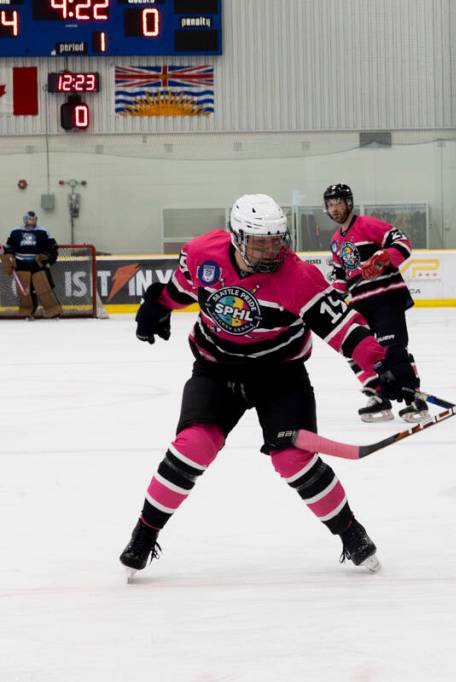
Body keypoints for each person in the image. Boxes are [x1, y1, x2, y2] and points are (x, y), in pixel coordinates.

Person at [118, 194, 419, 578]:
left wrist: (383, 363)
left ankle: (351, 533)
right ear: (237, 238)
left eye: (277, 240)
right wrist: (158, 305)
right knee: (192, 447)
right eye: (261, 242)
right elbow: (181, 288)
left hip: (281, 374)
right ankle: (144, 534)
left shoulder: (299, 277)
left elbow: (343, 328)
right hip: (216, 368)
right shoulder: (200, 253)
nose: (271, 249)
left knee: (293, 459)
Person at [323, 183, 428, 423]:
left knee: (393, 349)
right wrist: (332, 298)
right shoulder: (336, 242)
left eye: (338, 202)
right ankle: (379, 396)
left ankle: (415, 399)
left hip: (386, 298)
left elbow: (402, 242)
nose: (335, 208)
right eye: (330, 204)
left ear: (348, 203)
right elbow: (341, 277)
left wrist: (384, 257)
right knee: (356, 350)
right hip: (360, 305)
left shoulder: (367, 224)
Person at [4, 211, 61, 318]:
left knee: (44, 288)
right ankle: (27, 312)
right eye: (30, 219)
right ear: (25, 219)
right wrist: (9, 261)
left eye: (34, 219)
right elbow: (8, 249)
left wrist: (48, 260)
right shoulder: (15, 231)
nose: (32, 222)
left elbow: (53, 247)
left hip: (37, 264)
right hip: (21, 265)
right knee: (25, 292)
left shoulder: (43, 231)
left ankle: (53, 311)